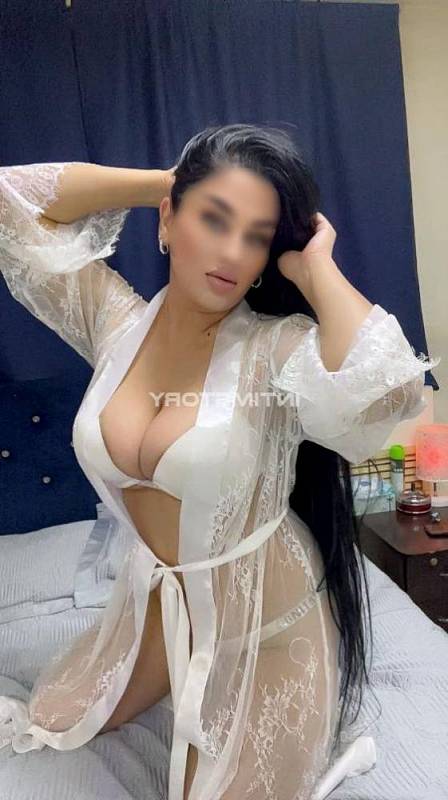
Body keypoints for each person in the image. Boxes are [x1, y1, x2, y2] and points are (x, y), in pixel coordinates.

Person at [0, 124, 440, 800]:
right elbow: (10, 200)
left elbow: (391, 394)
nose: (232, 252)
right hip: (158, 604)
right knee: (53, 720)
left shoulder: (275, 350)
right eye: (213, 219)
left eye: (256, 236)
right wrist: (168, 183)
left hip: (271, 631)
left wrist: (314, 266)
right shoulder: (115, 325)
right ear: (168, 221)